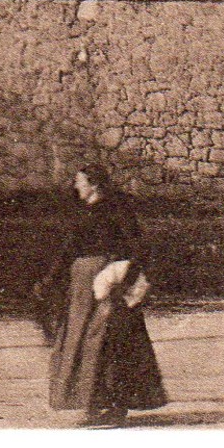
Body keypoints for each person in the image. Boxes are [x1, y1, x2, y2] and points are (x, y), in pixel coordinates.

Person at [40, 165, 168, 427]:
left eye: (80, 182)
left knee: (110, 344)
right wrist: (49, 280)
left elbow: (138, 246)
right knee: (83, 345)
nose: (76, 187)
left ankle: (115, 407)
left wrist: (127, 281)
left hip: (108, 285)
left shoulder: (116, 209)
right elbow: (68, 250)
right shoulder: (83, 212)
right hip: (81, 288)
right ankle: (93, 405)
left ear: (95, 184)